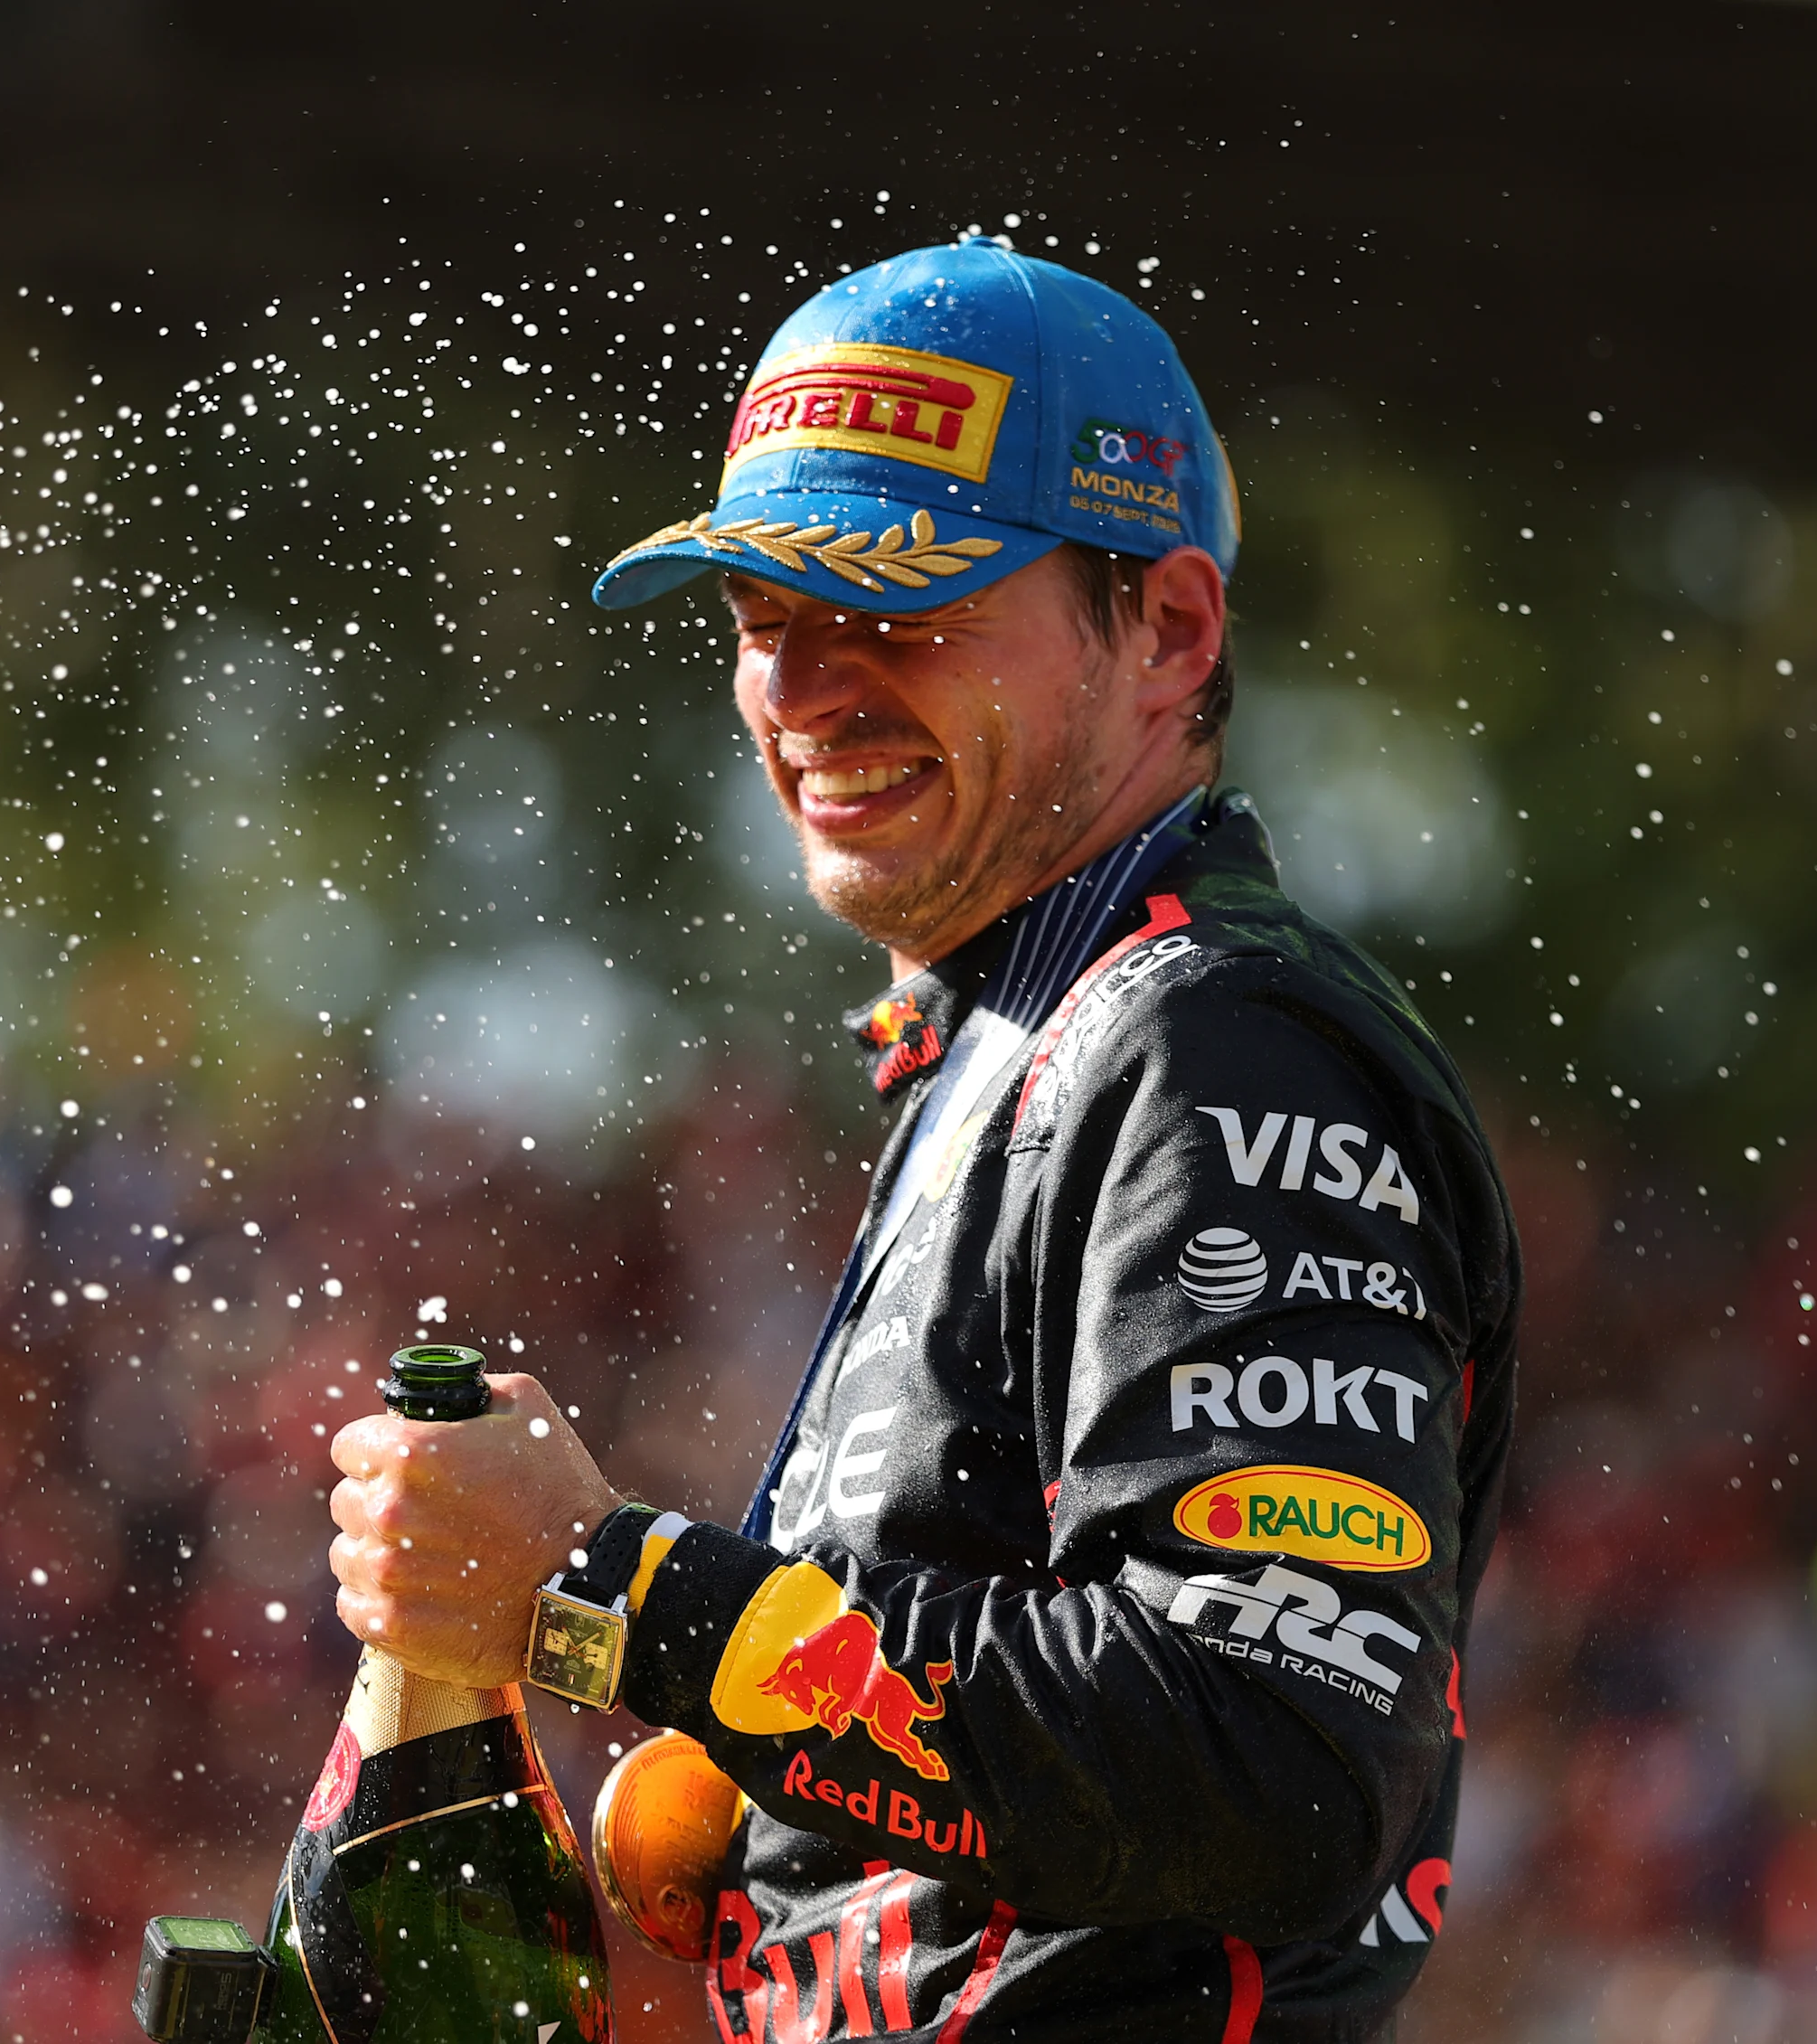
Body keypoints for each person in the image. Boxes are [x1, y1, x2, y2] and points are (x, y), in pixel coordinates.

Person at [328, 239, 1520, 2041]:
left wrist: (608, 1590)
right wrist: (770, 1799)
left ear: (1171, 631)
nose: (803, 691)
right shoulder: (1020, 1035)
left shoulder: (1210, 1042)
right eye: (759, 617)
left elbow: (1264, 1759)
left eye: (895, 605)